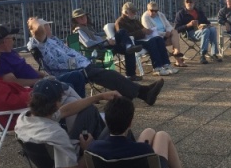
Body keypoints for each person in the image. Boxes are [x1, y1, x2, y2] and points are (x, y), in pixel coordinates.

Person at [27, 17, 164, 106]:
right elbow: (38, 31)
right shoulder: (39, 43)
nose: (49, 28)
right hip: (71, 71)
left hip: (82, 63)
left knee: (107, 74)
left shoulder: (52, 39)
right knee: (108, 75)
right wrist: (33, 22)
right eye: (46, 26)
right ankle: (143, 93)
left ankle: (137, 93)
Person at [15, 78, 119, 168]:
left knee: (89, 110)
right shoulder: (55, 134)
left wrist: (99, 96)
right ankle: (112, 167)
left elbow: (64, 111)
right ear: (57, 103)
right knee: (115, 128)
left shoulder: (24, 119)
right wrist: (88, 149)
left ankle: (107, 158)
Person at [88, 96, 191, 168]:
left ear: (106, 121)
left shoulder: (94, 147)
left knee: (148, 131)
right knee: (162, 135)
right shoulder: (143, 150)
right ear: (130, 123)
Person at [0, 24, 87, 97]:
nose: (13, 40)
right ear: (6, 41)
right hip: (35, 88)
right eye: (13, 38)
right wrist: (39, 80)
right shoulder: (0, 60)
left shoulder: (12, 53)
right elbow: (13, 83)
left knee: (77, 76)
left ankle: (81, 108)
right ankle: (78, 111)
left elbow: (27, 69)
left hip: (41, 81)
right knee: (70, 83)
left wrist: (44, 75)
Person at [71, 8, 143, 81]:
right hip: (98, 51)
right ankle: (129, 47)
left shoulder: (87, 28)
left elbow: (98, 38)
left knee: (126, 42)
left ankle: (130, 73)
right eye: (80, 17)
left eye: (84, 16)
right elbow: (88, 43)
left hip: (102, 47)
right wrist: (106, 42)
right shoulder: (78, 30)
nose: (83, 18)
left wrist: (108, 40)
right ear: (76, 20)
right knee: (122, 34)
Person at [115, 2, 177, 76]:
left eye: (135, 12)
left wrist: (146, 31)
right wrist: (141, 31)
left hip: (140, 39)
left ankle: (166, 64)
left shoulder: (135, 21)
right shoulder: (120, 22)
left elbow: (142, 30)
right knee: (153, 42)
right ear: (126, 12)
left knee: (158, 39)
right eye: (133, 12)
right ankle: (157, 67)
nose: (135, 14)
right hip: (132, 42)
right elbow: (124, 36)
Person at [174, 0, 221, 64]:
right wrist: (188, 25)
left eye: (191, 1)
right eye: (187, 1)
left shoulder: (199, 12)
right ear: (185, 3)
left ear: (194, 3)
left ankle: (214, 54)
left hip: (201, 30)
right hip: (189, 32)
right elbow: (176, 29)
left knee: (213, 29)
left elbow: (207, 22)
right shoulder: (181, 13)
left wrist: (207, 25)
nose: (189, 3)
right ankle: (202, 55)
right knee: (206, 31)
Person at [140, 1, 186, 68]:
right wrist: (164, 34)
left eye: (156, 11)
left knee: (174, 32)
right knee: (175, 39)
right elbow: (151, 31)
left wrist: (168, 31)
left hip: (166, 35)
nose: (154, 12)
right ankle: (178, 59)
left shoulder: (160, 14)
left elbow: (168, 25)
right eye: (152, 10)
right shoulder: (145, 17)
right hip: (156, 38)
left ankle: (176, 52)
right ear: (148, 10)